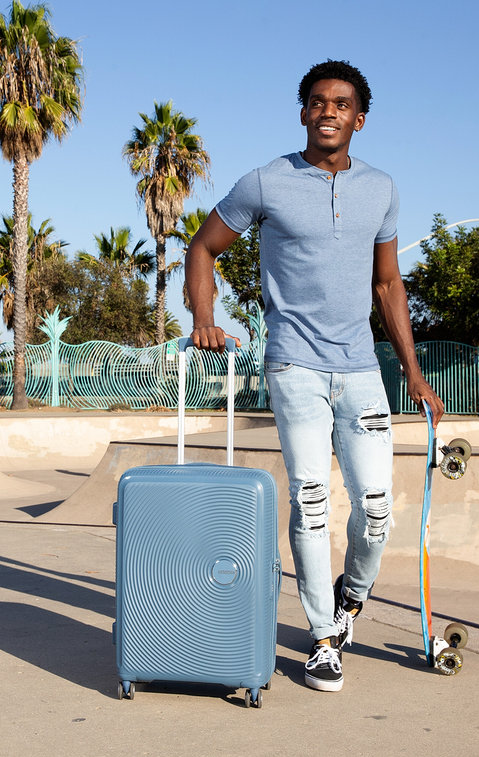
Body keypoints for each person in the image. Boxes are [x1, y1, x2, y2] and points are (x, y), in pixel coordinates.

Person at [185, 59, 444, 692]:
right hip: (293, 364)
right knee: (310, 501)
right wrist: (203, 315)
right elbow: (202, 246)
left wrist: (411, 370)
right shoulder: (266, 183)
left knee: (377, 509)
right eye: (318, 102)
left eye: (342, 103)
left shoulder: (381, 189)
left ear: (360, 117)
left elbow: (388, 284)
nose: (329, 111)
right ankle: (322, 638)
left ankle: (350, 598)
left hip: (360, 369)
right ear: (303, 112)